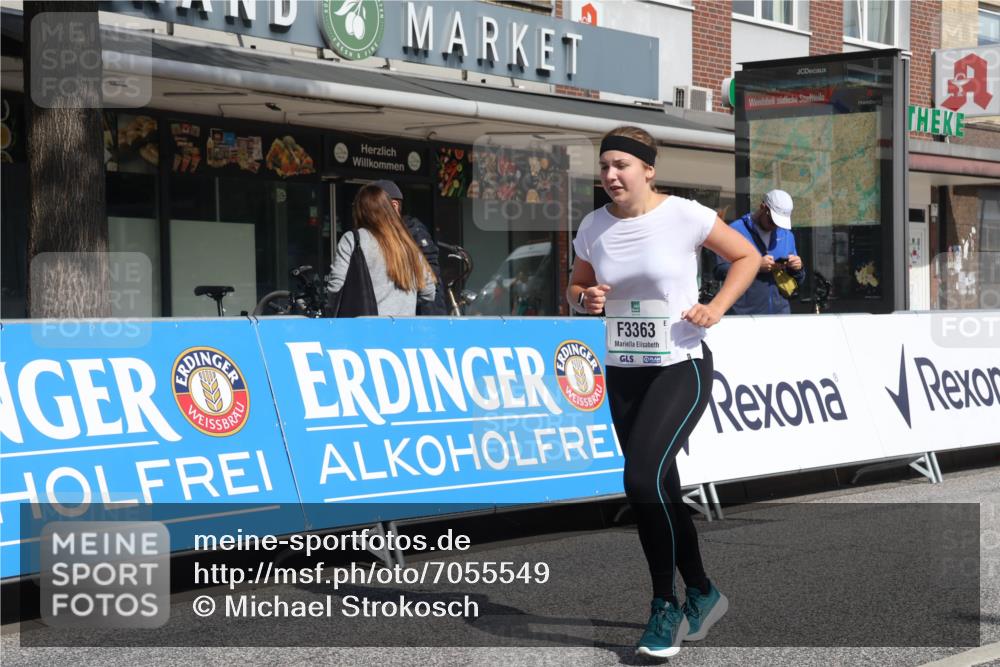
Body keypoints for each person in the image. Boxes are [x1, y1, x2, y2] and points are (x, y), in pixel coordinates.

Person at [567, 126, 758, 659]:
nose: (610, 175)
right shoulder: (594, 226)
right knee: (662, 490)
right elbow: (576, 286)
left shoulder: (685, 215)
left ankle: (663, 606)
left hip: (681, 365)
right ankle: (702, 591)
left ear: (649, 169)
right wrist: (586, 299)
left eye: (622, 165)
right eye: (605, 165)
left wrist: (715, 308)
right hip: (623, 370)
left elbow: (745, 258)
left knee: (641, 478)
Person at [327, 184, 435, 316]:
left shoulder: (353, 239)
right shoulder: (408, 243)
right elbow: (429, 292)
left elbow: (336, 288)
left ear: (360, 211)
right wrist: (404, 302)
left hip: (365, 330)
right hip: (405, 331)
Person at [713, 189, 805, 315]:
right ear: (763, 207)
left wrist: (797, 268)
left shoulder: (787, 235)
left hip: (781, 313)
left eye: (779, 223)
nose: (775, 226)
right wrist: (755, 267)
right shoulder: (735, 231)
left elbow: (798, 279)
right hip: (744, 314)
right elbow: (719, 271)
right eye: (772, 221)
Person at [371, 180, 448, 315]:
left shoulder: (413, 231)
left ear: (394, 206)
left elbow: (431, 276)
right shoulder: (374, 235)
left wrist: (403, 301)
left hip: (422, 316)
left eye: (374, 207)